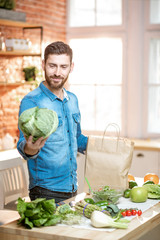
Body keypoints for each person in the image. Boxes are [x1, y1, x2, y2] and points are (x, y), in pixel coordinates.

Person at [17, 41, 88, 203]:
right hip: (45, 191)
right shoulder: (31, 101)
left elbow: (77, 138)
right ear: (43, 65)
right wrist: (30, 149)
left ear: (71, 67)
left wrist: (104, 145)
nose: (57, 72)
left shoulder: (73, 100)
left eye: (63, 67)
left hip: (72, 187)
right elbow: (23, 144)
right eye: (52, 66)